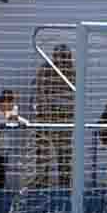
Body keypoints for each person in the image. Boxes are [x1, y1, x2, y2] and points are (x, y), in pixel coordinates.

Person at [34, 44, 75, 188]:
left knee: (64, 155)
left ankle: (64, 186)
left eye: (65, 57)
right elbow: (39, 93)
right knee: (42, 154)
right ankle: (41, 185)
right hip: (46, 119)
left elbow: (75, 97)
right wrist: (47, 110)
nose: (63, 60)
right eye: (60, 57)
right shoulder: (45, 70)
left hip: (65, 121)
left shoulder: (72, 72)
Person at [0, 89, 28, 189]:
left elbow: (22, 121)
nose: (11, 106)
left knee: (2, 176)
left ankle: (0, 195)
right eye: (7, 104)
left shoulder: (13, 109)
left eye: (11, 103)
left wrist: (19, 119)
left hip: (5, 149)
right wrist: (8, 117)